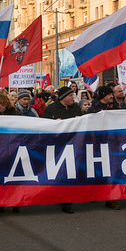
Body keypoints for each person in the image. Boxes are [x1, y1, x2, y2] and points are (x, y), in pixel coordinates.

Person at [42, 86, 81, 214]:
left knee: (69, 174)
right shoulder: (51, 109)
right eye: (71, 96)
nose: (73, 98)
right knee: (60, 174)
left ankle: (67, 202)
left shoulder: (75, 108)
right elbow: (44, 127)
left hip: (74, 146)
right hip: (57, 148)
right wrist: (54, 124)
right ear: (63, 97)